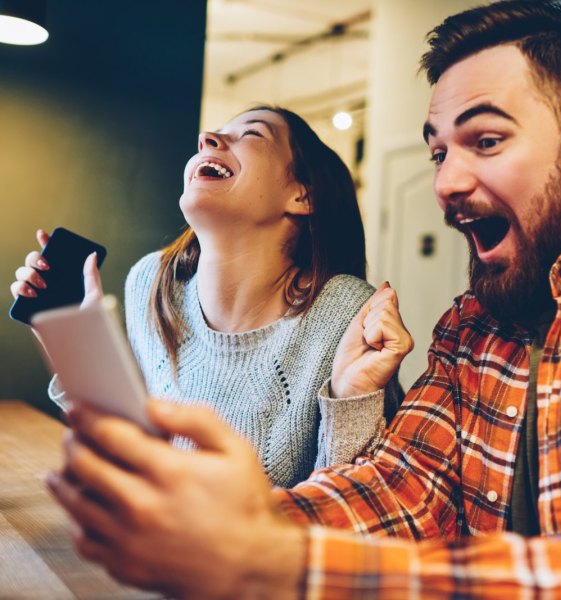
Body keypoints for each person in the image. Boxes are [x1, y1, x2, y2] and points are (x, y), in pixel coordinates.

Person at [47, 2, 561, 598]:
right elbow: (398, 491)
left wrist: (271, 564)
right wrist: (225, 524)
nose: (443, 182)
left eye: (486, 140)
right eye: (439, 151)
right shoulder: (474, 329)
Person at [11, 105, 408, 488]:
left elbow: (354, 503)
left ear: (302, 196)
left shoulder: (346, 313)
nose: (207, 139)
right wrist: (78, 353)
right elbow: (132, 459)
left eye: (251, 133)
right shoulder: (151, 284)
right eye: (213, 135)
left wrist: (353, 401)